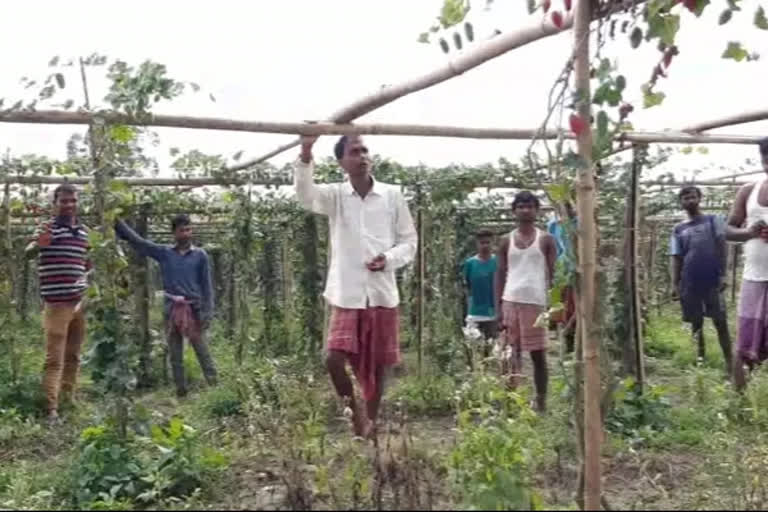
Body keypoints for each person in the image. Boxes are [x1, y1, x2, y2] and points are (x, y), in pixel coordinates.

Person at [294, 134, 417, 439]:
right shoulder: (335, 196)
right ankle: (356, 416)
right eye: (354, 151)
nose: (362, 156)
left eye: (365, 150)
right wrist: (307, 150)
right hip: (347, 293)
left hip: (381, 292)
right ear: (341, 162)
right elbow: (305, 196)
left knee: (378, 364)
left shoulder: (391, 195)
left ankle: (370, 424)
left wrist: (388, 259)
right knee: (333, 358)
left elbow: (409, 241)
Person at [114, 214, 217, 398]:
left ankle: (214, 385)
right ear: (174, 233)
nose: (186, 234)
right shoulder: (165, 253)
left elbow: (206, 285)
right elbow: (140, 243)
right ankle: (181, 391)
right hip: (171, 309)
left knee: (202, 349)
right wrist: (117, 223)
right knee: (175, 352)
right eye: (181, 230)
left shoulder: (200, 255)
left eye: (188, 229)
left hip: (193, 308)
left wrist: (208, 311)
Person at [25, 184, 92, 424]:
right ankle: (50, 409)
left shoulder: (84, 232)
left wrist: (86, 283)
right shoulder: (46, 229)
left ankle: (68, 398)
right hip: (56, 304)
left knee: (74, 356)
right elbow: (29, 252)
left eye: (72, 200)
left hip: (79, 303)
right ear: (55, 203)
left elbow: (88, 262)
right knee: (54, 358)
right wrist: (38, 245)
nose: (69, 204)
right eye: (64, 201)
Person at [495, 191, 556, 412]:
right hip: (510, 301)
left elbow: (553, 273)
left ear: (536, 210)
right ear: (514, 211)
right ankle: (510, 400)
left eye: (529, 206)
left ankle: (541, 402)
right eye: (520, 206)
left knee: (538, 355)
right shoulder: (505, 241)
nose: (525, 210)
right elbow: (500, 273)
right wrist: (498, 308)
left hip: (536, 303)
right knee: (511, 353)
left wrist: (553, 304)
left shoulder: (546, 239)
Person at [669, 186, 731, 373]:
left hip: (712, 279)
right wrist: (674, 283)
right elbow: (676, 256)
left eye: (693, 197)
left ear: (700, 198)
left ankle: (730, 362)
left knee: (720, 320)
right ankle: (700, 360)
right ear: (681, 202)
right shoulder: (679, 228)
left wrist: (723, 274)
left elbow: (722, 246)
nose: (690, 200)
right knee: (696, 323)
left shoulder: (714, 220)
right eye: (685, 198)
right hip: (690, 280)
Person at [726, 137, 768, 390]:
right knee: (744, 342)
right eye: (766, 158)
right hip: (754, 277)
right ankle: (738, 401)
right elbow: (728, 230)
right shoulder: (748, 191)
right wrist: (750, 232)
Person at [461, 229, 498, 356]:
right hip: (475, 311)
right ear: (477, 244)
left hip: (492, 311)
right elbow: (466, 287)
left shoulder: (497, 262)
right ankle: (473, 369)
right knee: (472, 343)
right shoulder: (470, 264)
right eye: (482, 242)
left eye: (488, 242)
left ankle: (487, 369)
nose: (485, 245)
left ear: (493, 243)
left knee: (491, 343)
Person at [547, 201, 577, 352]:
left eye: (569, 206)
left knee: (577, 306)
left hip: (580, 269)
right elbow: (554, 248)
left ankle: (574, 339)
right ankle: (568, 341)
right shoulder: (554, 225)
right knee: (564, 306)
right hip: (562, 269)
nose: (567, 210)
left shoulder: (581, 222)